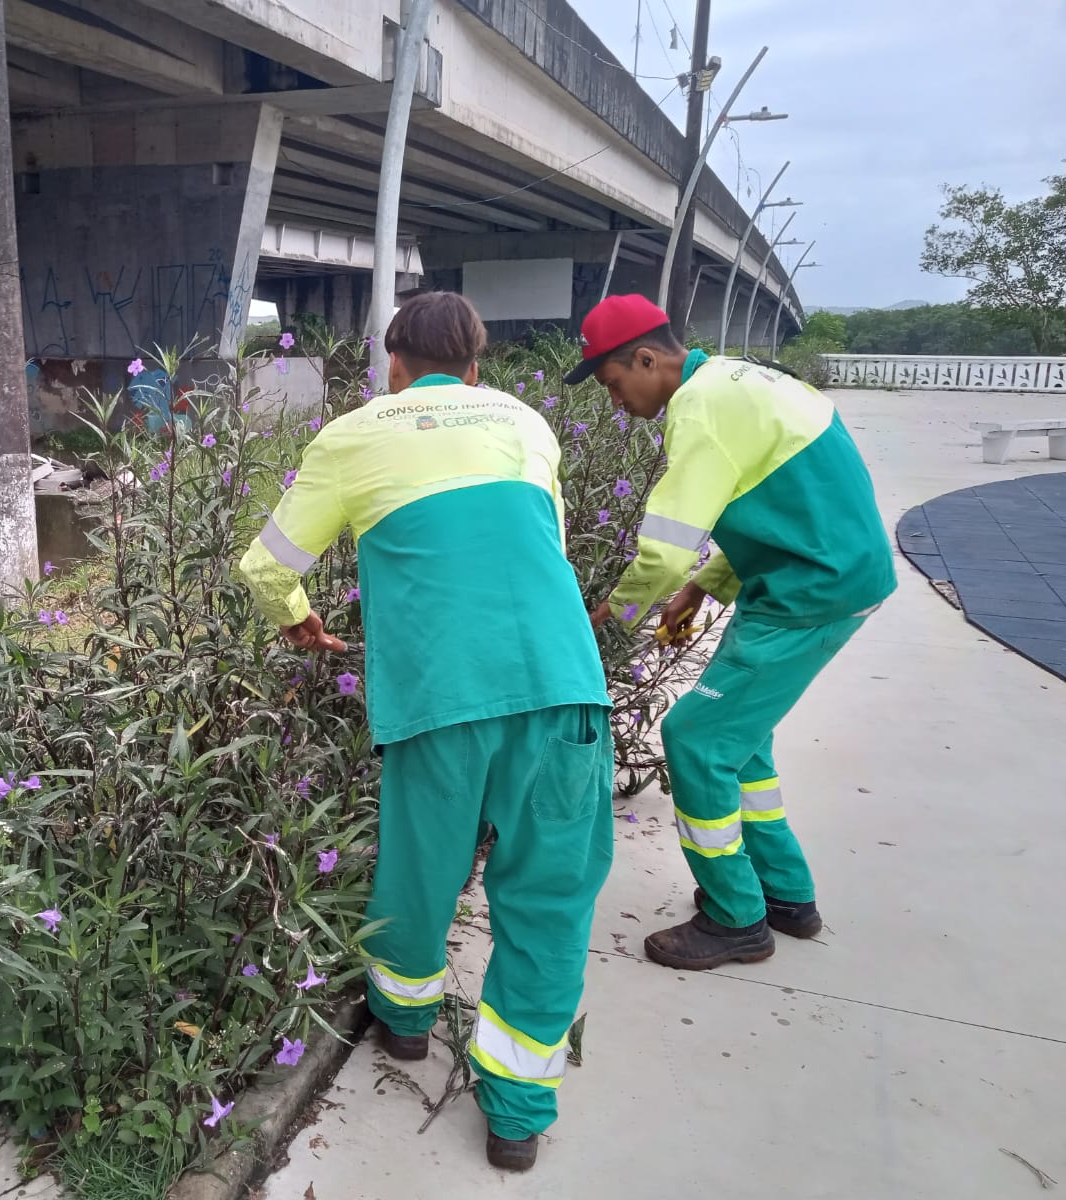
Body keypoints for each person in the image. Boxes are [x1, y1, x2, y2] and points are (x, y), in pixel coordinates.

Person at [238, 292, 614, 1172]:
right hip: (563, 685)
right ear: (476, 367)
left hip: (438, 695)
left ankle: (404, 1022)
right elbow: (546, 548)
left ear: (393, 367)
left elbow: (264, 565)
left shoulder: (355, 434)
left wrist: (295, 619)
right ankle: (517, 1117)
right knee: (550, 896)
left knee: (421, 867)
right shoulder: (525, 423)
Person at [571, 294, 896, 971]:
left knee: (696, 740)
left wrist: (610, 619)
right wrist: (705, 585)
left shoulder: (699, 409)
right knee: (739, 745)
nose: (616, 403)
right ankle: (786, 895)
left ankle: (734, 917)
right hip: (821, 574)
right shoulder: (742, 380)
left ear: (646, 359)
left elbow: (662, 551)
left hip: (809, 593)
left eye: (614, 384)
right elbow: (785, 506)